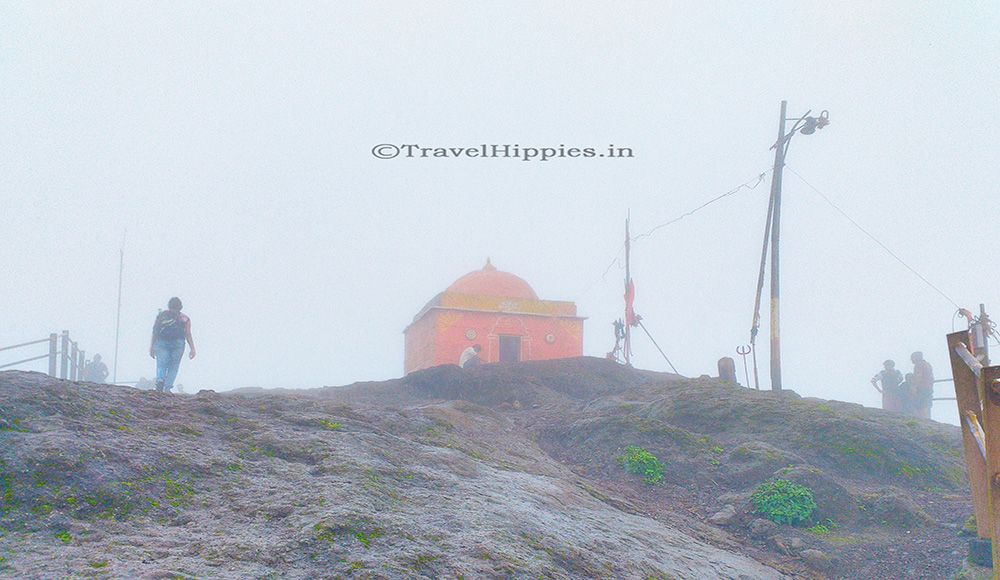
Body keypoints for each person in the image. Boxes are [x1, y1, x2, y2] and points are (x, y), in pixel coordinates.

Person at [150, 297, 196, 393]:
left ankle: (160, 381)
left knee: (161, 364)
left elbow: (155, 331)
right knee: (174, 366)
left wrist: (152, 346)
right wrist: (192, 348)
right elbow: (188, 333)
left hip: (161, 342)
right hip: (178, 343)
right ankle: (167, 388)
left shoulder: (161, 316)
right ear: (180, 307)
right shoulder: (185, 318)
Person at [910, 351, 934, 419]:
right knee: (927, 404)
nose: (912, 359)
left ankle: (924, 420)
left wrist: (914, 387)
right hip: (929, 387)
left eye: (913, 357)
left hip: (922, 387)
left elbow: (918, 376)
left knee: (921, 405)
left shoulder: (919, 364)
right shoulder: (927, 364)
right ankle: (928, 419)